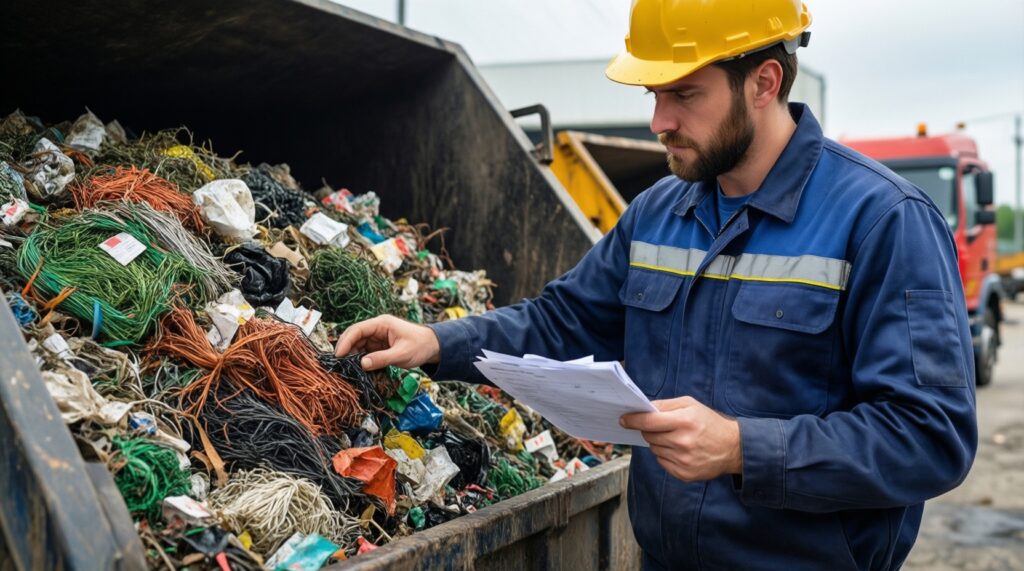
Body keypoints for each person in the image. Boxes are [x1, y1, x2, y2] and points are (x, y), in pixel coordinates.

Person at [335, 0, 978, 568]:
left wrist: (743, 449)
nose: (659, 121)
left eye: (685, 95)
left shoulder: (883, 220)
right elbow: (563, 321)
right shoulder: (658, 212)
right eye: (654, 95)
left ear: (764, 82)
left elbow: (930, 436)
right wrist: (436, 343)